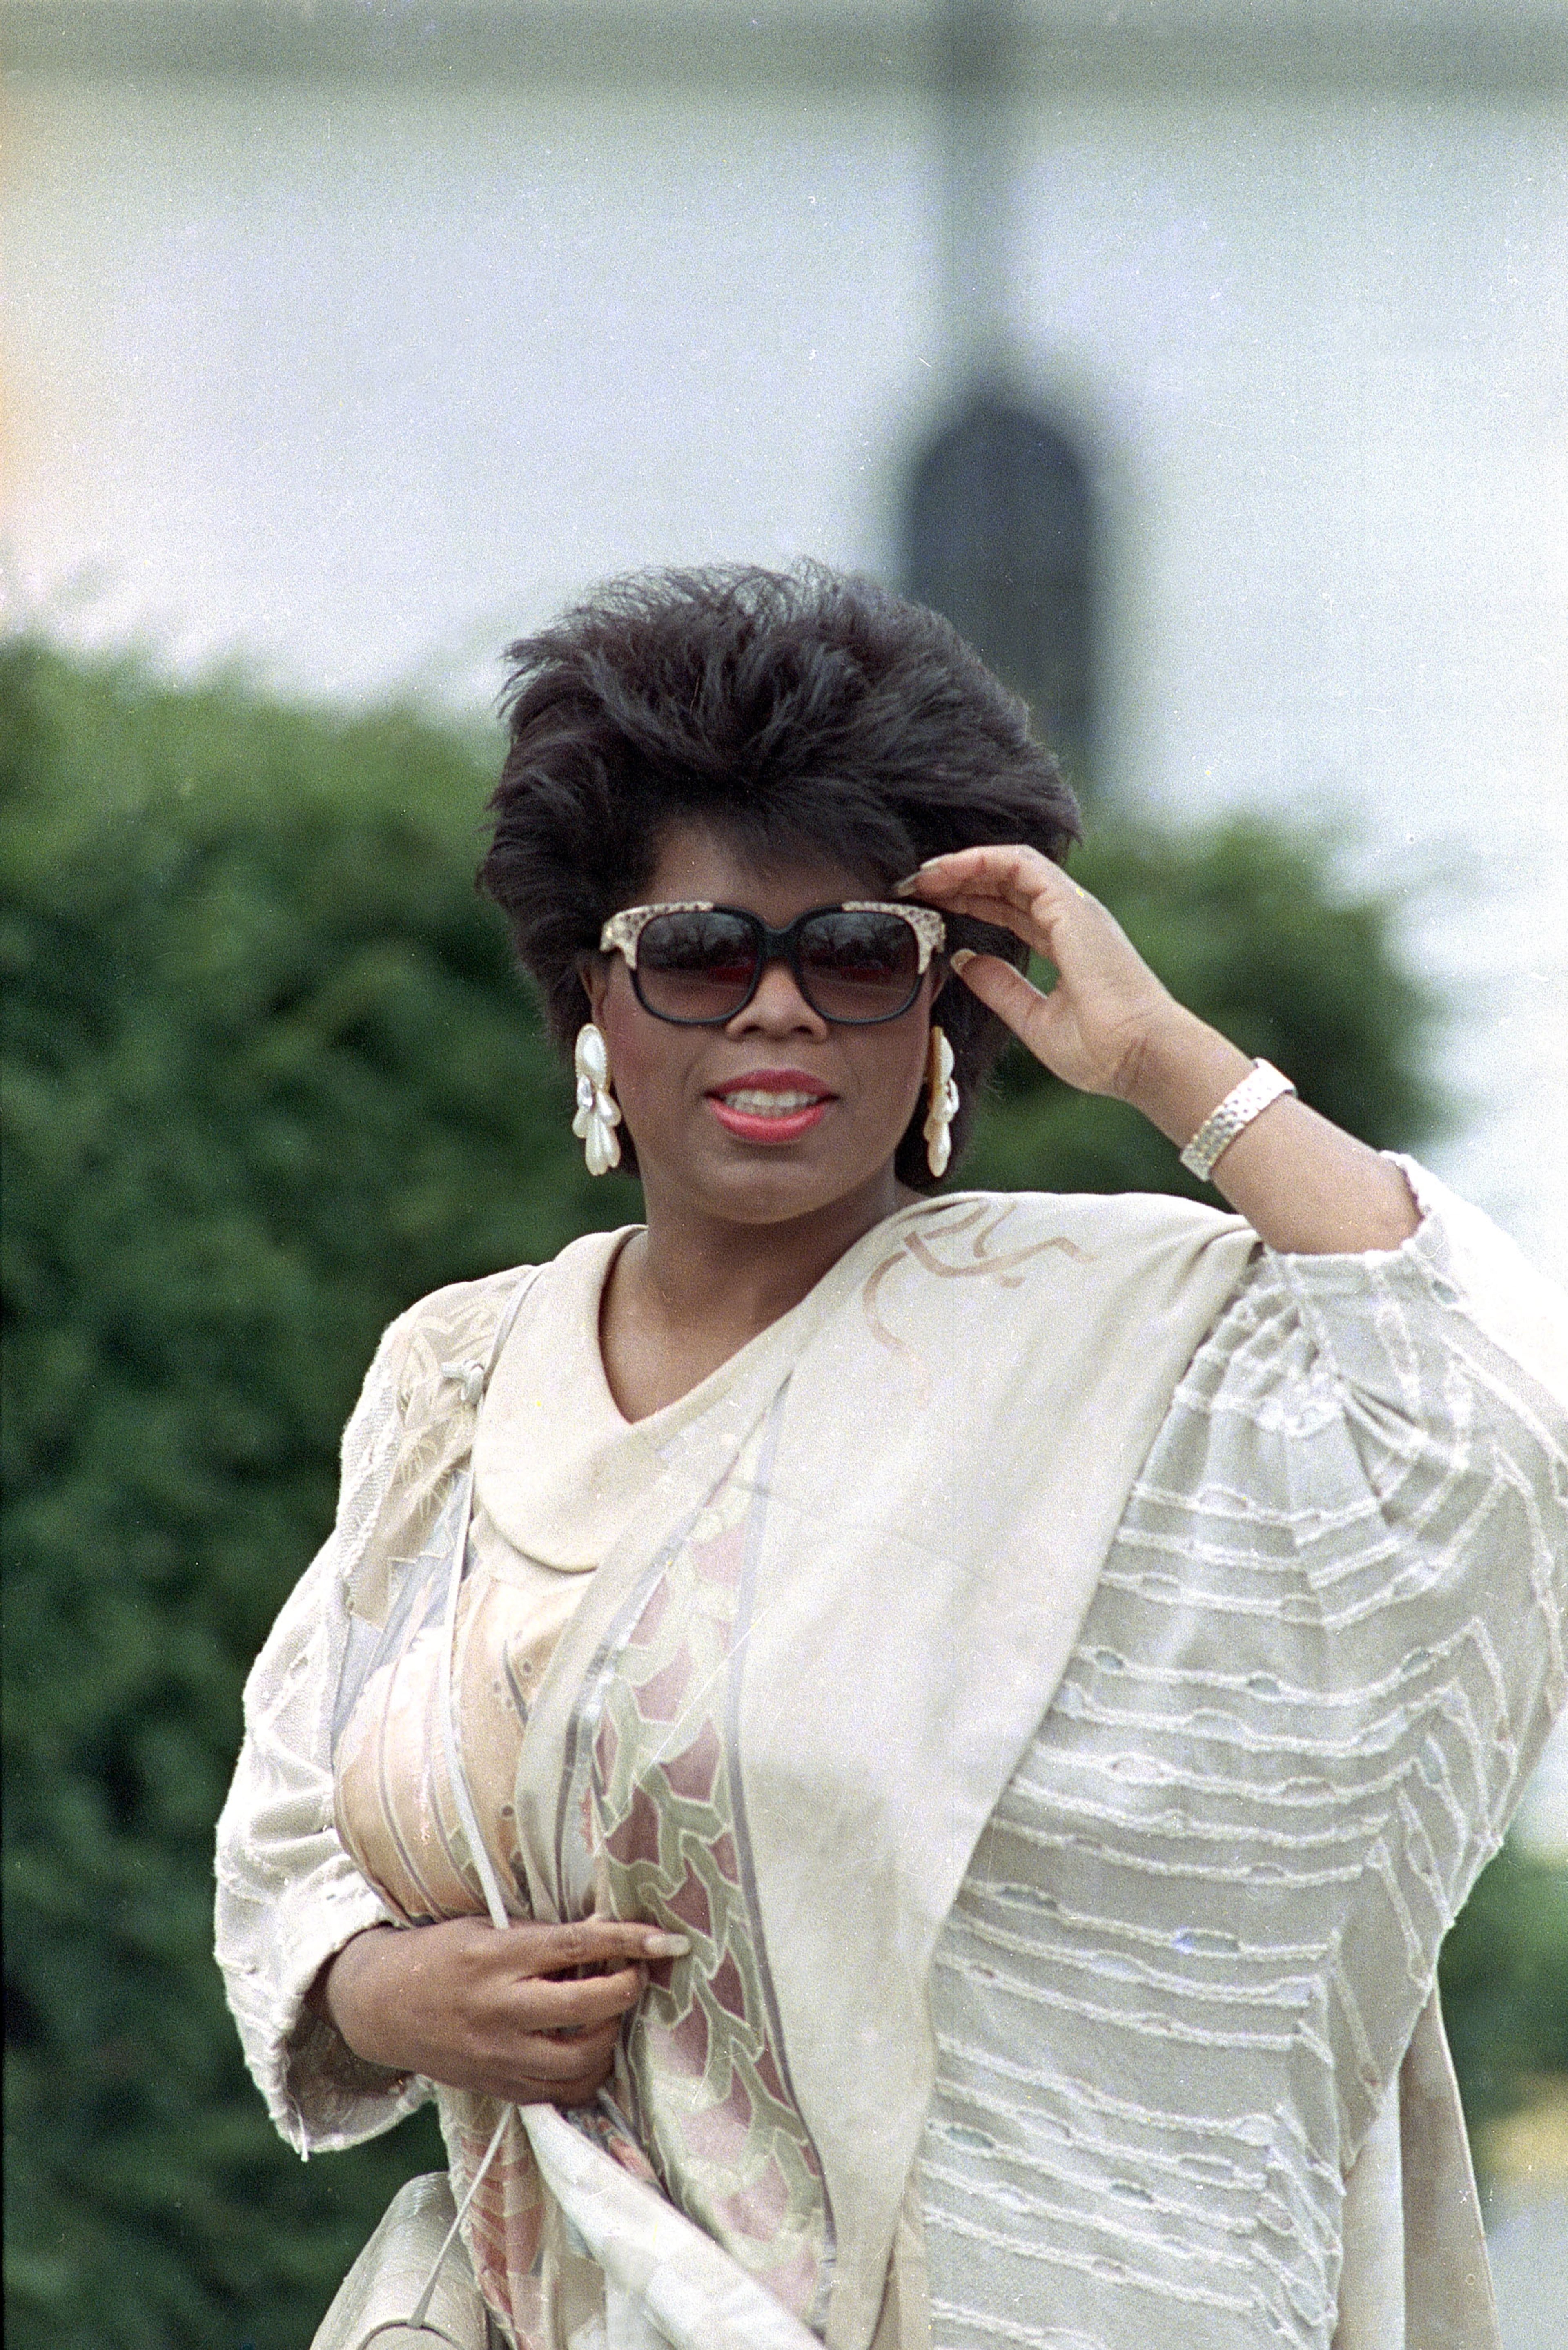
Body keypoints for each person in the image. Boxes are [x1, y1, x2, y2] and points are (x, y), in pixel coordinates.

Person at [215, 565, 1567, 2350]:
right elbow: (296, 1812)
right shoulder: (459, 1372)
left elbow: (1488, 1420)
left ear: (944, 1009)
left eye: (857, 953)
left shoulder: (1099, 1332)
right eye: (697, 954)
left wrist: (1166, 1059)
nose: (777, 1010)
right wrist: (383, 1990)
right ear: (593, 1010)